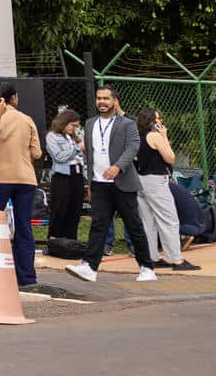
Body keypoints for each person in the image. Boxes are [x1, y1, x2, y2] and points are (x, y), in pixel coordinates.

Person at [66, 86, 157, 284]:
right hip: (99, 184)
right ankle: (90, 267)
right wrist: (90, 182)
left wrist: (118, 166)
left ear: (115, 101)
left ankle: (147, 267)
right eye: (99, 98)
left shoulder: (127, 124)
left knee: (134, 225)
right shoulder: (90, 124)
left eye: (106, 98)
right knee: (98, 225)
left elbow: (133, 146)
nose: (101, 102)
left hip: (122, 182)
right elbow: (89, 154)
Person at [0, 80, 42, 289]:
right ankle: (27, 276)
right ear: (14, 97)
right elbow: (37, 153)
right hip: (25, 179)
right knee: (24, 227)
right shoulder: (27, 120)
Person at [133, 109, 200, 273]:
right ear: (152, 121)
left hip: (140, 180)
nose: (161, 121)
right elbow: (170, 157)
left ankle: (152, 257)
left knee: (148, 221)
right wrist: (163, 135)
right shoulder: (154, 136)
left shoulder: (137, 137)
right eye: (158, 118)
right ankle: (175, 258)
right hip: (156, 181)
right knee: (169, 219)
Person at [45, 107, 85, 244]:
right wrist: (78, 148)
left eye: (76, 126)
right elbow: (59, 157)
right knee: (60, 208)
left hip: (78, 174)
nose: (74, 129)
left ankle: (70, 241)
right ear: (64, 122)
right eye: (72, 125)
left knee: (75, 209)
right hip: (63, 175)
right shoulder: (52, 136)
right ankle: (54, 240)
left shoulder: (74, 138)